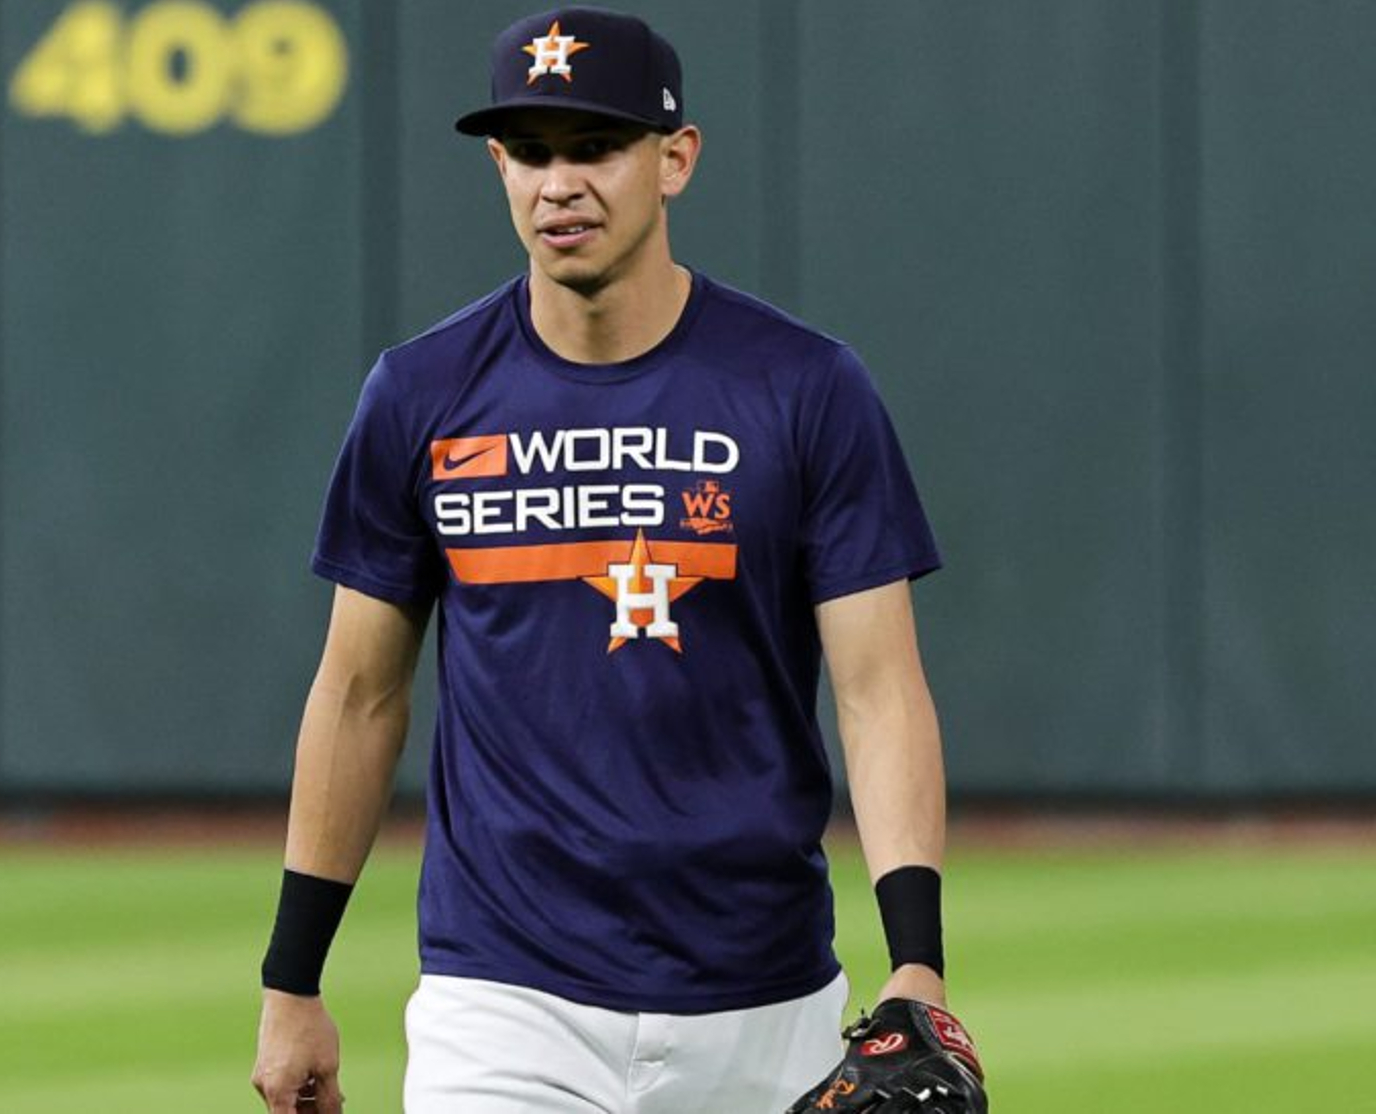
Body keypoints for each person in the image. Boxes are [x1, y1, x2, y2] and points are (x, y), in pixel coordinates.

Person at [252, 8, 985, 1112]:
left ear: (674, 158)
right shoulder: (421, 393)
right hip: (502, 1002)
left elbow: (880, 691)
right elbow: (358, 694)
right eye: (532, 152)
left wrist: (916, 960)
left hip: (764, 998)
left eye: (595, 146)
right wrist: (291, 977)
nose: (560, 183)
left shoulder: (804, 388)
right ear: (498, 165)